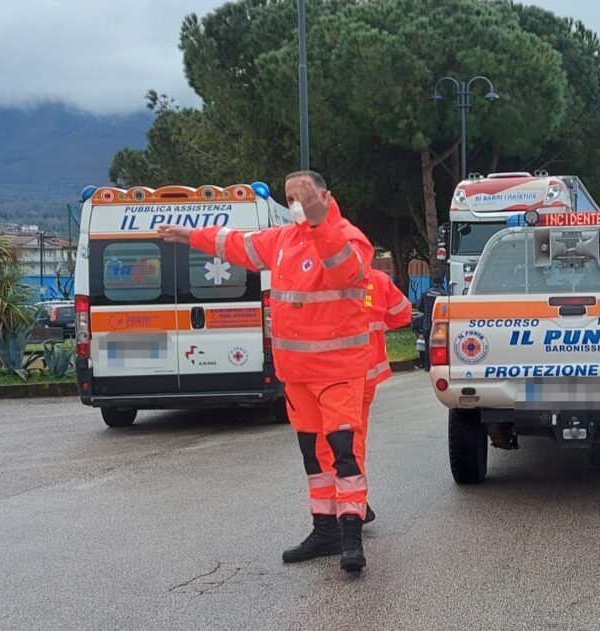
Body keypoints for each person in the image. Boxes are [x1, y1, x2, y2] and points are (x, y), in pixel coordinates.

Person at [158, 171, 374, 573]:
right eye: (291, 196)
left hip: (337, 372)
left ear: (326, 196)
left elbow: (346, 270)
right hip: (296, 375)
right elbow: (236, 244)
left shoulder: (348, 236)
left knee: (344, 454)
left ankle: (350, 536)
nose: (296, 201)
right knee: (313, 456)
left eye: (305, 194)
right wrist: (191, 237)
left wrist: (318, 222)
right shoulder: (281, 240)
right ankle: (324, 529)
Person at [363, 268, 412, 428]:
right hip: (367, 365)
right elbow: (403, 313)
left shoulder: (318, 277)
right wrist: (379, 327)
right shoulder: (378, 279)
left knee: (320, 430)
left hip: (323, 369)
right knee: (356, 427)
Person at [416, 272, 447, 371]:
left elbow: (419, 308)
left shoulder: (425, 293)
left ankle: (427, 366)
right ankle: (439, 365)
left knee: (428, 345)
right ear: (442, 283)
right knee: (441, 345)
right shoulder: (444, 294)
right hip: (440, 325)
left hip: (427, 325)